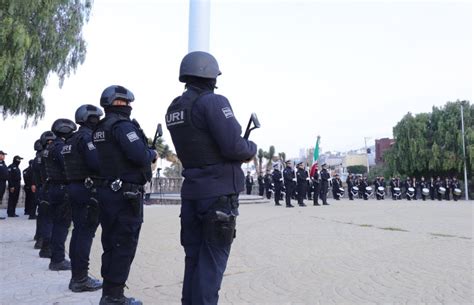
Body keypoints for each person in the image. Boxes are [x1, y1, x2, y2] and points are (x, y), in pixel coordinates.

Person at [165, 51, 257, 305]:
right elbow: (234, 147)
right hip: (217, 196)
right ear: (209, 75)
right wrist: (251, 148)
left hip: (192, 193)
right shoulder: (213, 102)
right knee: (211, 265)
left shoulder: (174, 109)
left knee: (193, 260)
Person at [93, 85, 157, 305]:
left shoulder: (100, 128)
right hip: (125, 195)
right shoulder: (121, 126)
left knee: (110, 243)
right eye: (127, 103)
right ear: (118, 103)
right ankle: (114, 296)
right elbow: (139, 155)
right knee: (124, 243)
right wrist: (153, 152)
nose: (129, 107)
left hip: (108, 191)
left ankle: (109, 292)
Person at [62, 104, 104, 292]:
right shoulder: (86, 137)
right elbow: (96, 163)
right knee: (85, 234)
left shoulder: (70, 139)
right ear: (91, 119)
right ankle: (80, 279)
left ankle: (77, 276)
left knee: (78, 233)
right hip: (87, 190)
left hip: (74, 187)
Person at [44, 119, 77, 271]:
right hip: (62, 189)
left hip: (54, 188)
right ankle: (58, 259)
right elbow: (68, 165)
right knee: (61, 226)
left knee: (57, 224)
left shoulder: (51, 146)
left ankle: (55, 257)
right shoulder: (60, 147)